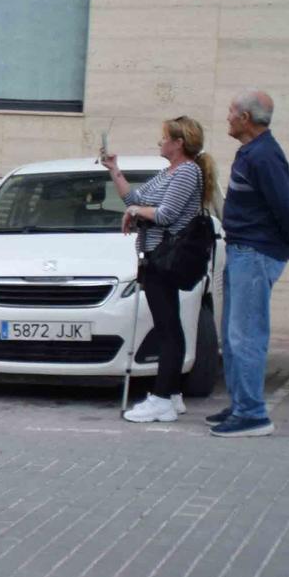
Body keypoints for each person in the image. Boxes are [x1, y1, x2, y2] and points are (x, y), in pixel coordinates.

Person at [209, 91, 289, 438]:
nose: (227, 116)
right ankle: (240, 404)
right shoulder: (251, 152)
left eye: (231, 111)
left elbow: (287, 207)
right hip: (241, 252)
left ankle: (252, 414)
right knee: (233, 336)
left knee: (246, 335)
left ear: (246, 119)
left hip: (253, 254)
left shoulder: (264, 156)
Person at [107, 118, 217, 426]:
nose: (160, 142)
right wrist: (115, 171)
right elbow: (136, 199)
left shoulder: (186, 172)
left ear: (179, 143)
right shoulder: (167, 172)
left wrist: (134, 213)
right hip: (153, 256)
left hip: (166, 256)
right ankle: (173, 394)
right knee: (168, 324)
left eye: (164, 138)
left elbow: (166, 215)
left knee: (167, 327)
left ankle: (161, 399)